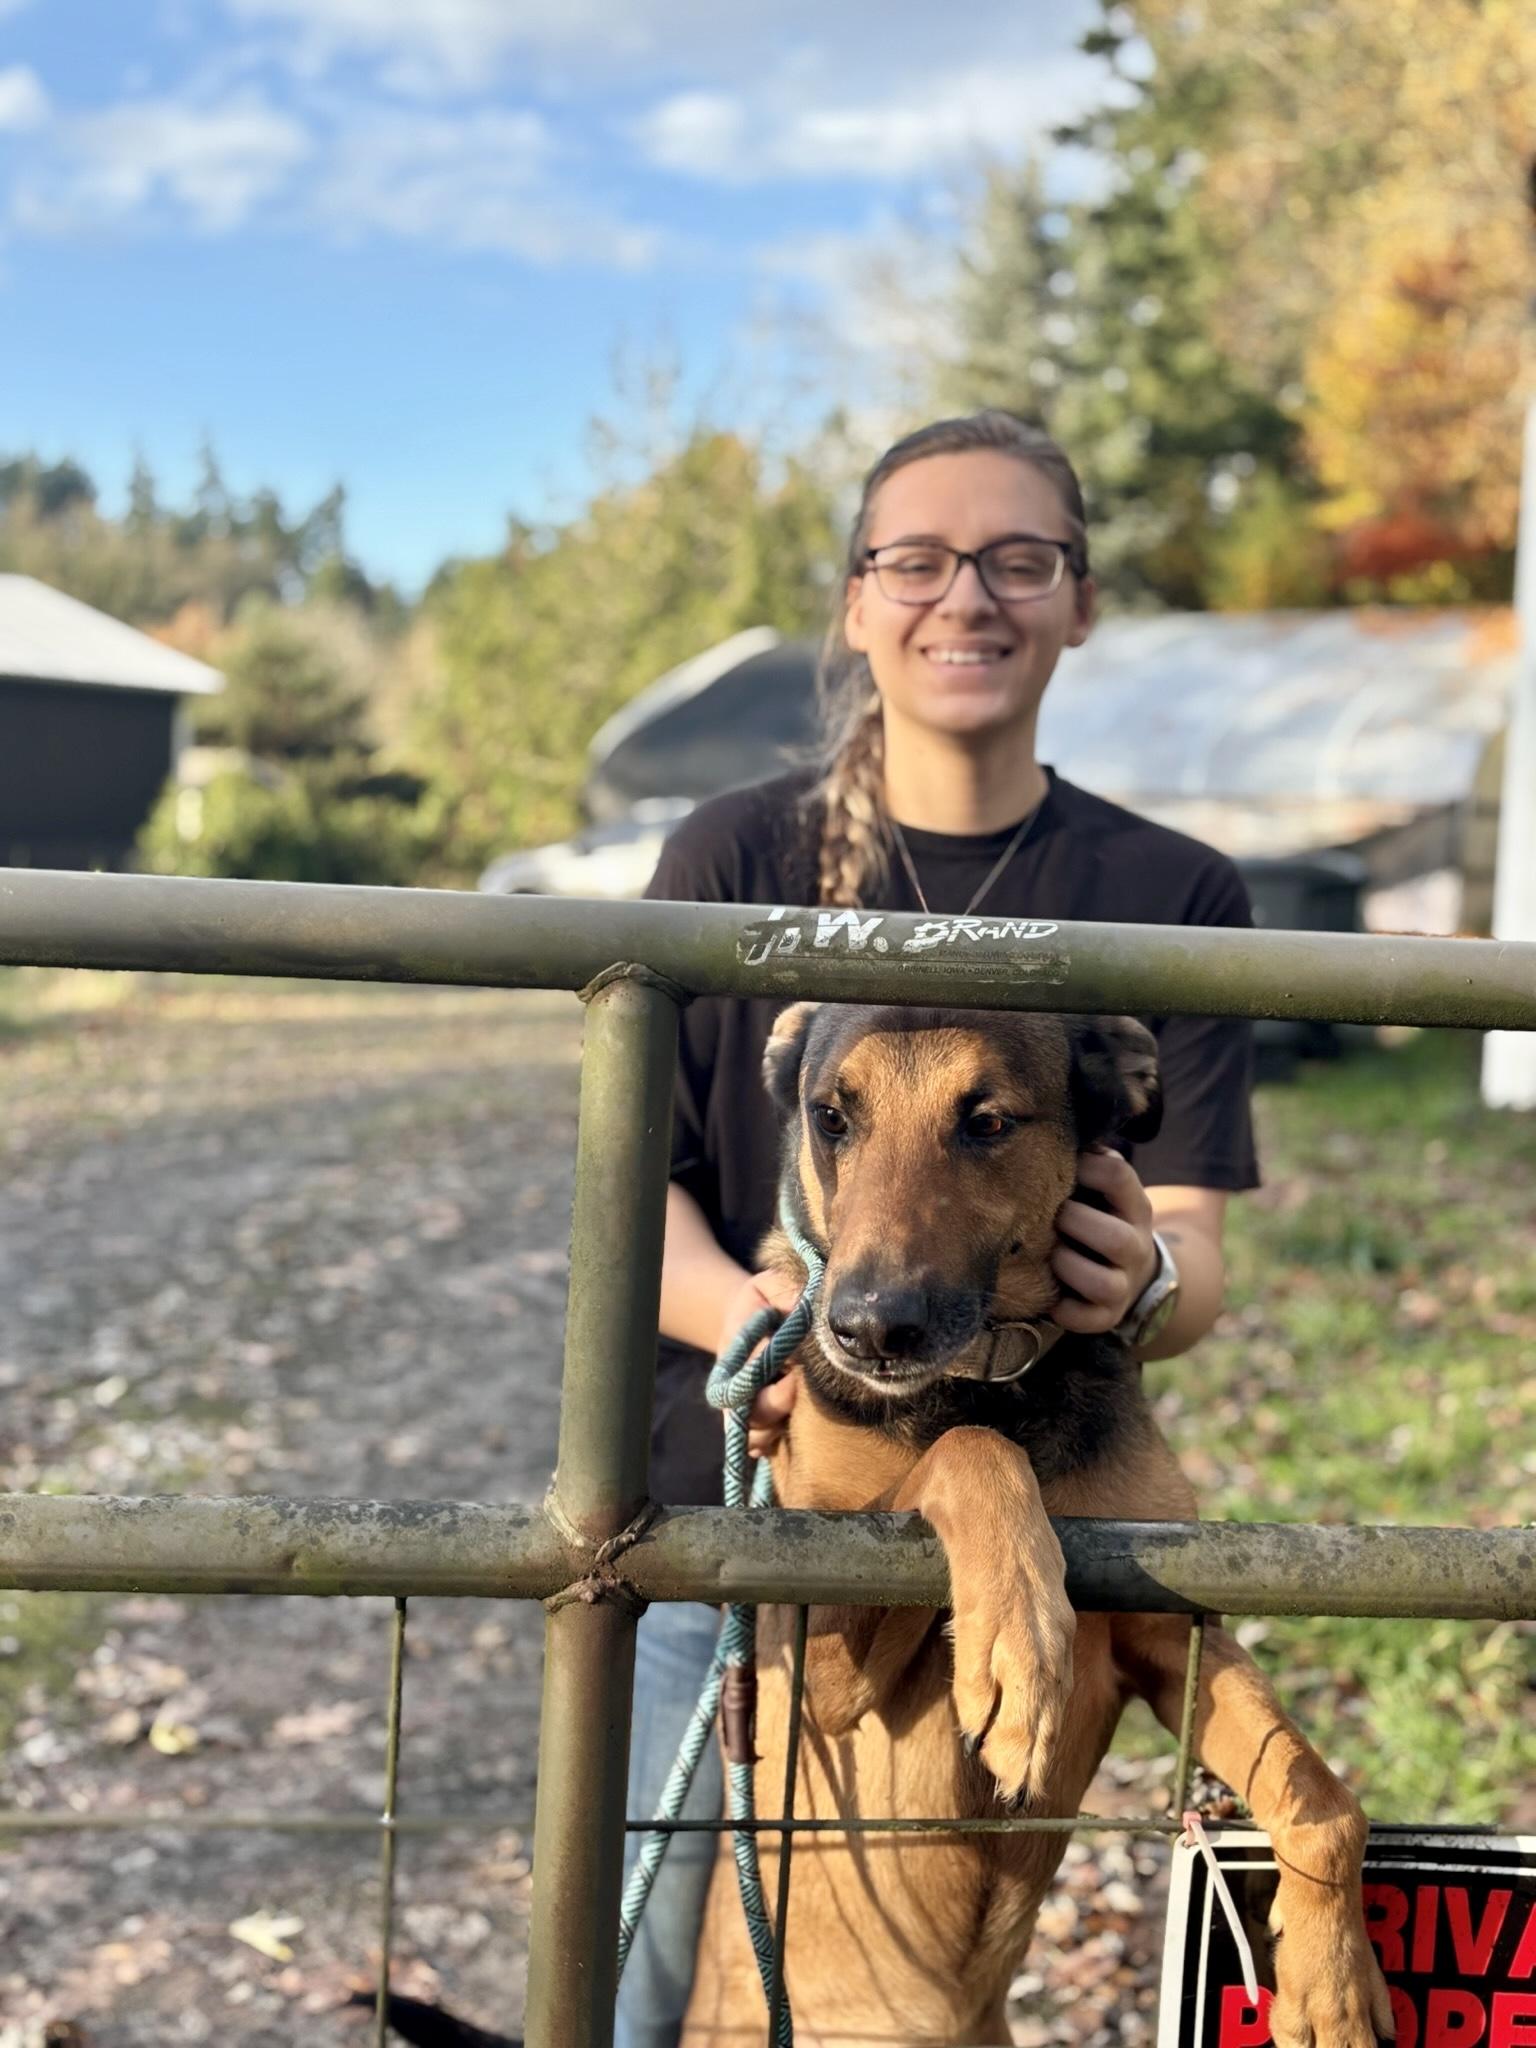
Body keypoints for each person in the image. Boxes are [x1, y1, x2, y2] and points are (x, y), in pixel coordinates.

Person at [615, 410, 1258, 2048]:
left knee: (932, 1985)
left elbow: (1191, 1242)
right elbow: (635, 1204)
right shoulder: (732, 858)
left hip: (1041, 1502)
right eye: (917, 559)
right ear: (855, 601)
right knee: (648, 1979)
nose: (964, 597)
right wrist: (761, 1322)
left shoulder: (1171, 889)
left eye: (1017, 559)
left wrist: (1149, 1274)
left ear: (1081, 601)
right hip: (748, 1521)